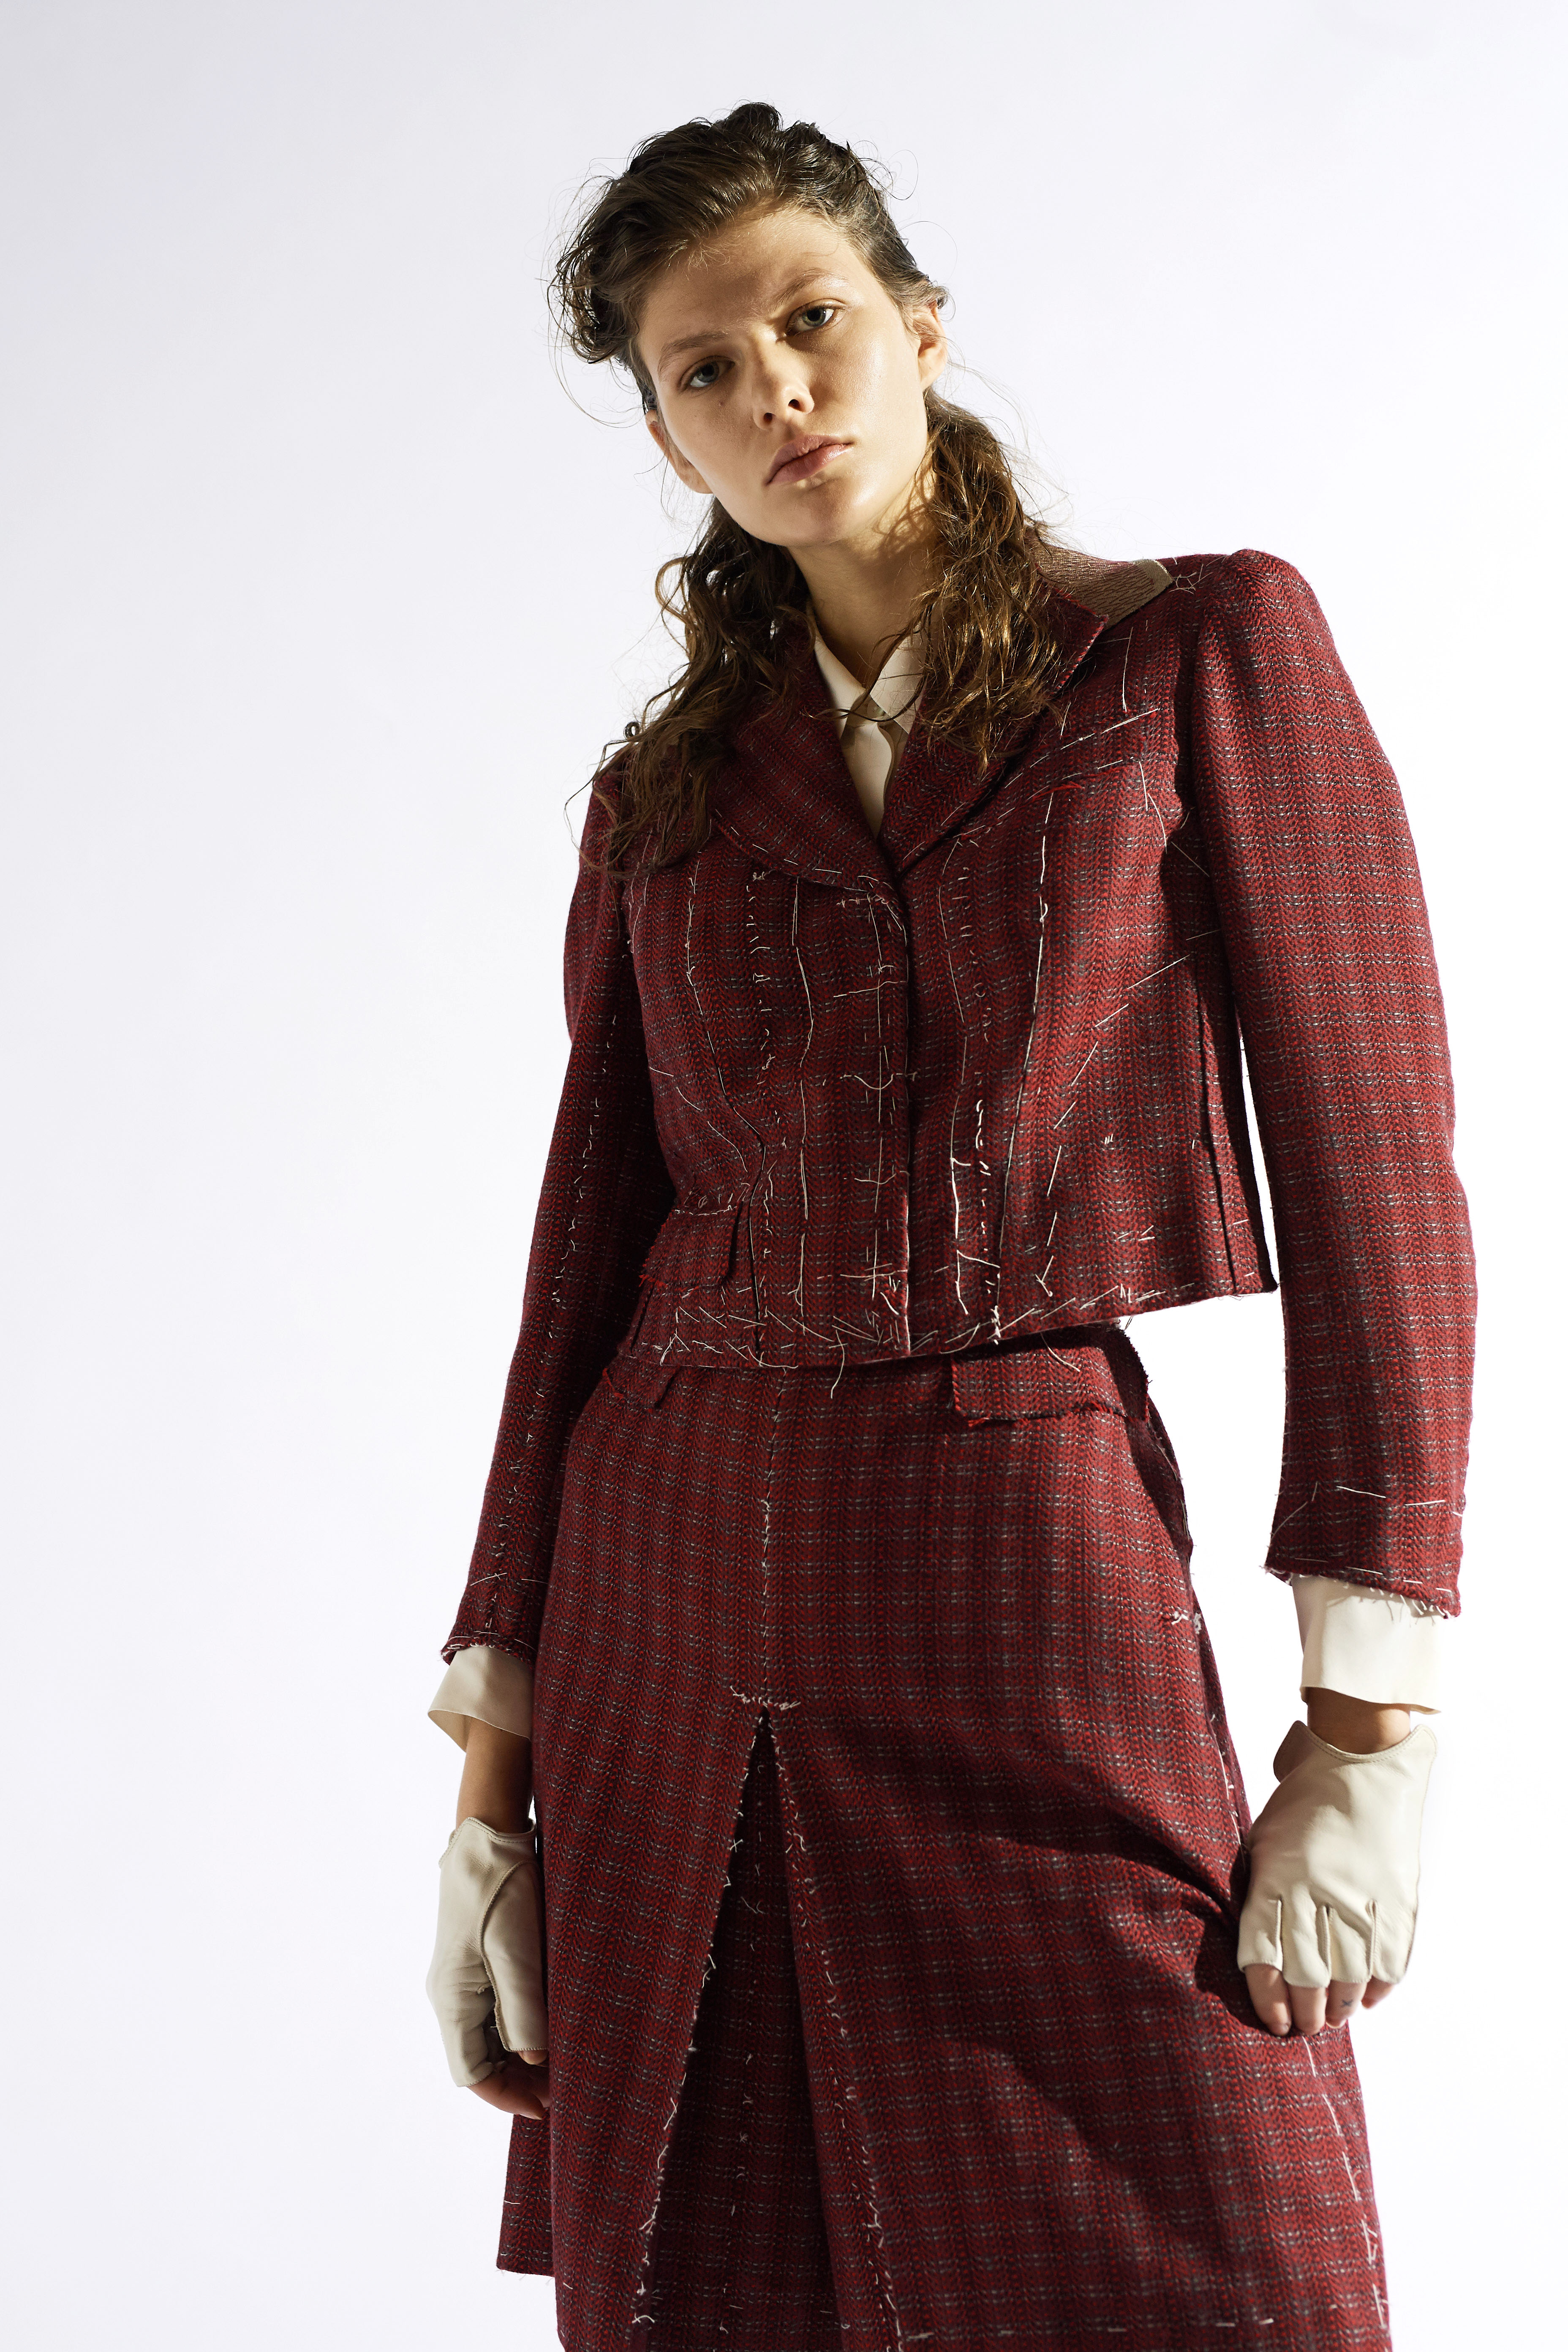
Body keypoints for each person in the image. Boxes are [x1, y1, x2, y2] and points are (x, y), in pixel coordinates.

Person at [422, 103, 1475, 2352]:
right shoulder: (662, 799)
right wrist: (494, 1791)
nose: (777, 390)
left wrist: (1370, 1732)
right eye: (707, 371)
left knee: (1241, 2255)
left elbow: (1381, 1171)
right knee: (732, 2279)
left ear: (917, 322)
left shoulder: (1195, 653)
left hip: (1030, 1566)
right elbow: (579, 1263)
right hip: (672, 1601)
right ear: (667, 438)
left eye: (813, 320)